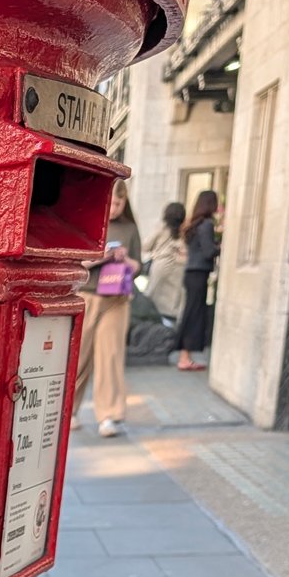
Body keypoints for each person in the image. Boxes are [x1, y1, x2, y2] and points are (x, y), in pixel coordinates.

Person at [74, 181, 142, 437]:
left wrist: (126, 259)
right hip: (88, 295)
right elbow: (75, 262)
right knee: (79, 356)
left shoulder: (130, 229)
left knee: (110, 356)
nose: (114, 208)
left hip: (117, 298)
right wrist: (101, 256)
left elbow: (139, 267)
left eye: (119, 203)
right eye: (111, 202)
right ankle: (68, 411)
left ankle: (109, 416)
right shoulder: (90, 224)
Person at [175, 189, 221, 370]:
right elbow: (209, 251)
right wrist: (221, 246)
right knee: (194, 315)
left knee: (190, 313)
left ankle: (185, 356)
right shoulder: (207, 224)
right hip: (199, 273)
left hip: (191, 273)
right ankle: (185, 357)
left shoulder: (194, 224)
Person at [143, 201, 187, 321]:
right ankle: (168, 330)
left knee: (152, 296)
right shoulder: (184, 231)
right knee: (173, 304)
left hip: (161, 264)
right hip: (179, 266)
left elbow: (146, 246)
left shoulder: (161, 227)